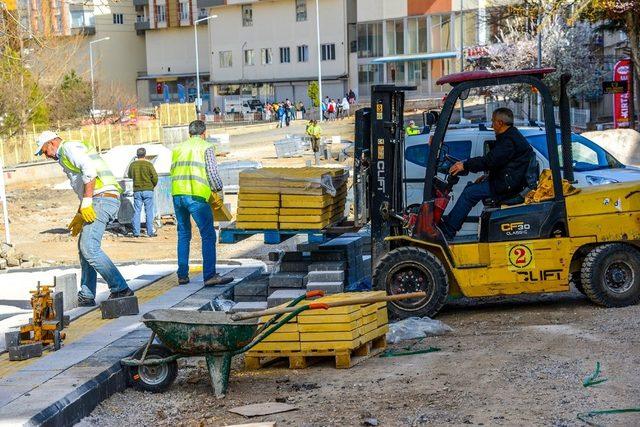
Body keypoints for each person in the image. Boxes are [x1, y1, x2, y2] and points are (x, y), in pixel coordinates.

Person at [35, 131, 134, 306]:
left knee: (89, 247)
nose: (45, 156)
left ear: (52, 143)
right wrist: (81, 211)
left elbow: (90, 171)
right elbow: (84, 183)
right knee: (84, 249)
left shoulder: (68, 149)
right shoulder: (67, 154)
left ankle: (121, 288)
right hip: (100, 198)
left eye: (44, 151)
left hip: (102, 198)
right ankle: (87, 294)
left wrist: (88, 201)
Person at [440, 108, 534, 240]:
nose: (491, 124)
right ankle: (448, 226)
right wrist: (488, 176)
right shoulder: (510, 137)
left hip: (508, 186)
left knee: (469, 193)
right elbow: (502, 164)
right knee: (470, 189)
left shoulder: (508, 141)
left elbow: (489, 161)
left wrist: (465, 165)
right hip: (508, 181)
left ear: (500, 123)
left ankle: (448, 232)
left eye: (493, 121)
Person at [170, 120, 234, 287]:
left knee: (183, 234)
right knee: (208, 235)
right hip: (196, 196)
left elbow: (173, 170)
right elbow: (212, 173)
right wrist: (218, 189)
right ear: (204, 133)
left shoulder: (177, 148)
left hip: (178, 195)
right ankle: (210, 275)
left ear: (189, 133)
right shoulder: (206, 147)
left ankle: (182, 275)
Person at [128, 147, 158, 238]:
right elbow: (155, 177)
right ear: (145, 155)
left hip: (137, 191)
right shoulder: (149, 164)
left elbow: (129, 176)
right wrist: (152, 186)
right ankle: (150, 232)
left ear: (137, 155)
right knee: (149, 211)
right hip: (148, 190)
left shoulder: (132, 165)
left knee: (137, 211)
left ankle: (136, 233)